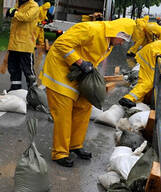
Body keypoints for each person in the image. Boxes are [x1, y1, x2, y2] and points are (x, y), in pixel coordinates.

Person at [39, 18, 136, 167]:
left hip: (79, 75)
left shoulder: (108, 42)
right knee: (63, 115)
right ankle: (60, 153)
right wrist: (80, 62)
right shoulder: (90, 29)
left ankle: (75, 145)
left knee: (84, 108)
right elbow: (61, 44)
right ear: (116, 32)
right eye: (122, 39)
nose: (122, 43)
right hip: (60, 73)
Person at [6, 0, 39, 91]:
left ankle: (33, 91)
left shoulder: (34, 6)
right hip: (14, 44)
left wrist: (14, 13)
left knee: (28, 70)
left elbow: (26, 17)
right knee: (13, 68)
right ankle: (15, 87)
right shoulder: (19, 4)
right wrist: (11, 12)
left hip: (25, 45)